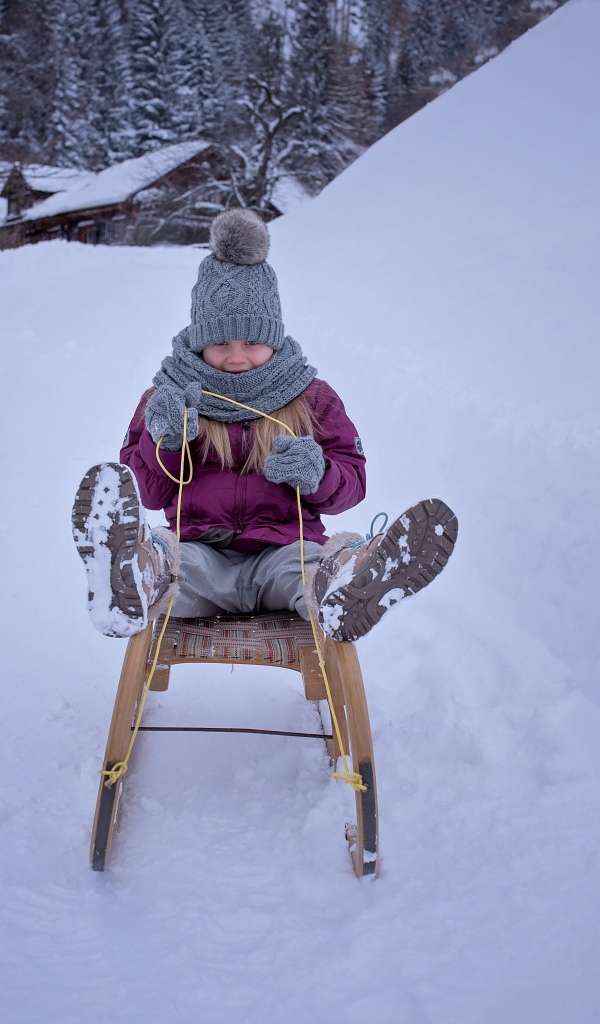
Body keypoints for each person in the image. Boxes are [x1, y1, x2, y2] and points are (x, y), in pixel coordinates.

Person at [71, 208, 457, 642]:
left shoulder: (311, 398)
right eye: (221, 342)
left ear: (272, 337)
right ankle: (131, 577)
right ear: (200, 341)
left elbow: (353, 482)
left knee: (311, 572)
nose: (236, 357)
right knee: (170, 565)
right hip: (200, 557)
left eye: (252, 341)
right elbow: (151, 493)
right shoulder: (168, 398)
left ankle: (351, 582)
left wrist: (319, 474)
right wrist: (167, 442)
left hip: (283, 554)